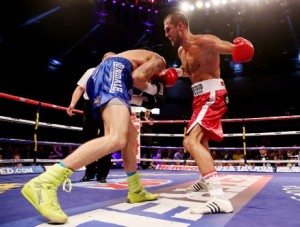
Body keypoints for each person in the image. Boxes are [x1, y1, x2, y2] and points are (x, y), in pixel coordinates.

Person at [21, 49, 178, 224]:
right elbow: (138, 78)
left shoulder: (131, 62)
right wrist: (155, 89)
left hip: (103, 78)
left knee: (130, 134)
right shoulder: (159, 61)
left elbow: (127, 84)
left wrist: (143, 100)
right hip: (113, 72)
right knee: (116, 137)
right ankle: (45, 182)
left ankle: (135, 190)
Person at [163, 11, 254, 214]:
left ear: (180, 26)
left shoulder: (205, 42)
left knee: (190, 141)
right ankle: (205, 180)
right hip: (198, 98)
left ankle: (218, 197)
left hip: (213, 94)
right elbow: (188, 70)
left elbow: (238, 52)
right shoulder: (181, 52)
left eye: (168, 29)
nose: (166, 34)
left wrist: (242, 48)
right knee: (201, 142)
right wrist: (175, 73)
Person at [66, 54, 113, 183]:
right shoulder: (91, 71)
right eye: (107, 59)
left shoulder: (115, 75)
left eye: (112, 59)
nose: (109, 62)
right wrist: (72, 104)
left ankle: (102, 174)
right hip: (90, 104)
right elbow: (80, 88)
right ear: (102, 60)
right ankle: (89, 172)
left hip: (107, 105)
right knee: (88, 139)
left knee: (107, 139)